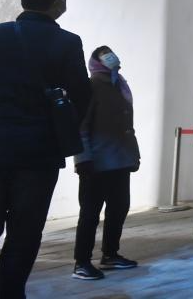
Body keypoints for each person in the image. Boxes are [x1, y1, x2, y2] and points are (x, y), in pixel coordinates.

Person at [0, 0, 91, 299]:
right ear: (59, 2)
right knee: (23, 234)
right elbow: (82, 97)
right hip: (38, 155)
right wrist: (58, 129)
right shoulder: (67, 42)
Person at [71, 45, 141, 281]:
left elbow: (127, 126)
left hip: (120, 160)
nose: (111, 56)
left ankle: (110, 254)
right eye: (105, 54)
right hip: (97, 162)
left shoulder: (118, 84)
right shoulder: (91, 86)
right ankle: (81, 262)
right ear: (97, 61)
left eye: (111, 52)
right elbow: (81, 126)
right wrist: (83, 159)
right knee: (90, 213)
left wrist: (134, 155)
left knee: (119, 208)